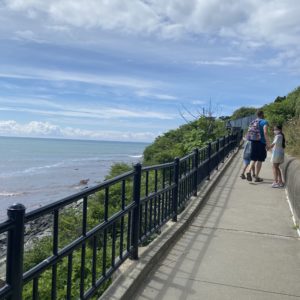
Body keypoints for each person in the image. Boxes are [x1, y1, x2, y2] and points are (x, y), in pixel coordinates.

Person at [246, 110, 270, 182]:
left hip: (253, 141)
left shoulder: (253, 122)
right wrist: (268, 143)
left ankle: (248, 171)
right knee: (260, 159)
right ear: (262, 114)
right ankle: (256, 177)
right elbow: (265, 132)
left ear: (257, 115)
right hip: (261, 142)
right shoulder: (264, 122)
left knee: (253, 158)